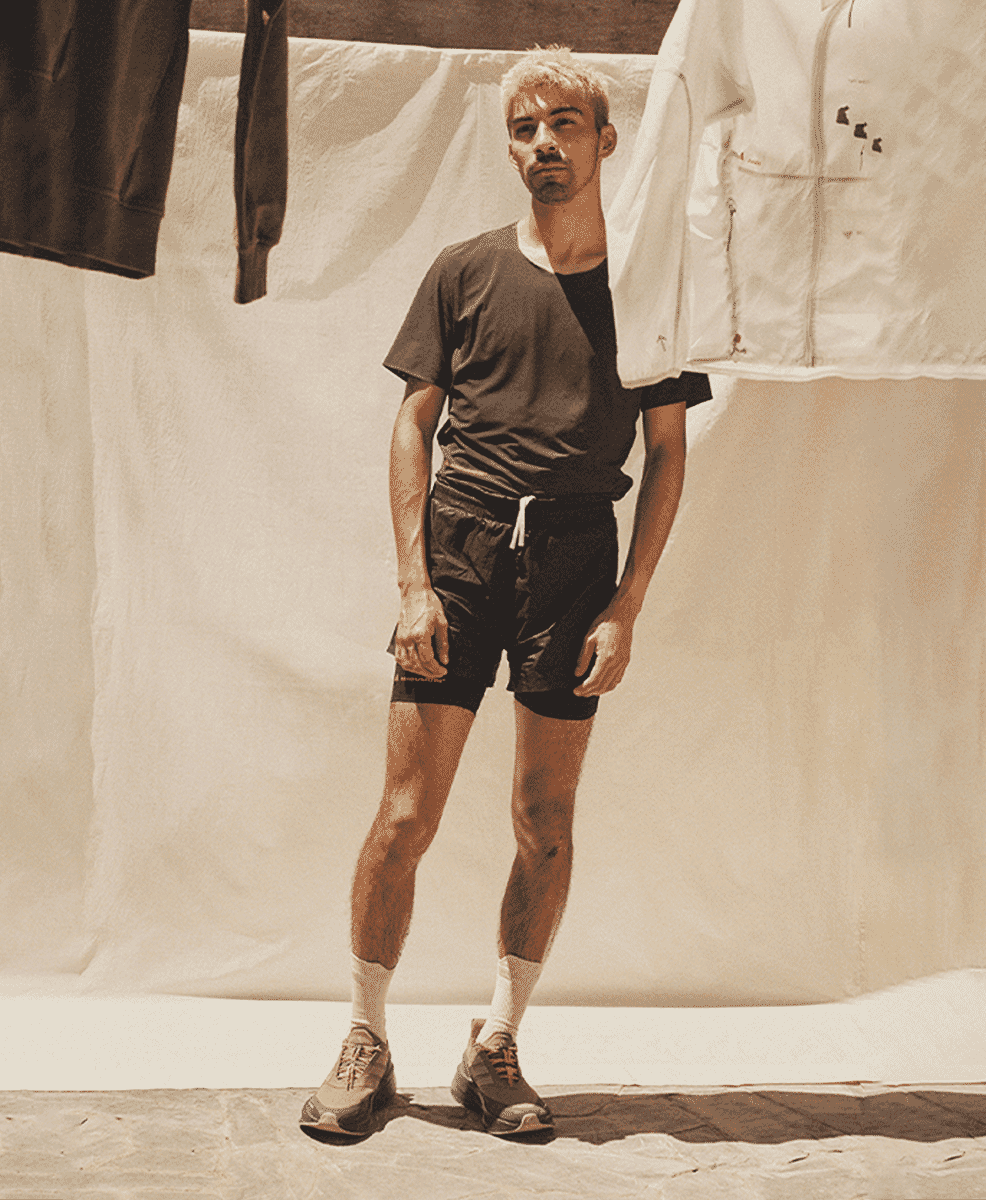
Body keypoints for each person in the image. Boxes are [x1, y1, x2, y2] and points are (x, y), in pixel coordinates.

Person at [300, 46, 711, 1140]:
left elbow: (668, 454)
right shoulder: (464, 268)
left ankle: (495, 1046)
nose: (543, 145)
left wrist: (624, 602)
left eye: (563, 125)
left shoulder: (647, 285)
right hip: (465, 551)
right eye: (525, 129)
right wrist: (412, 581)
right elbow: (413, 422)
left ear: (602, 140)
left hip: (575, 560)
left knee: (544, 820)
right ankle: (364, 1038)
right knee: (403, 817)